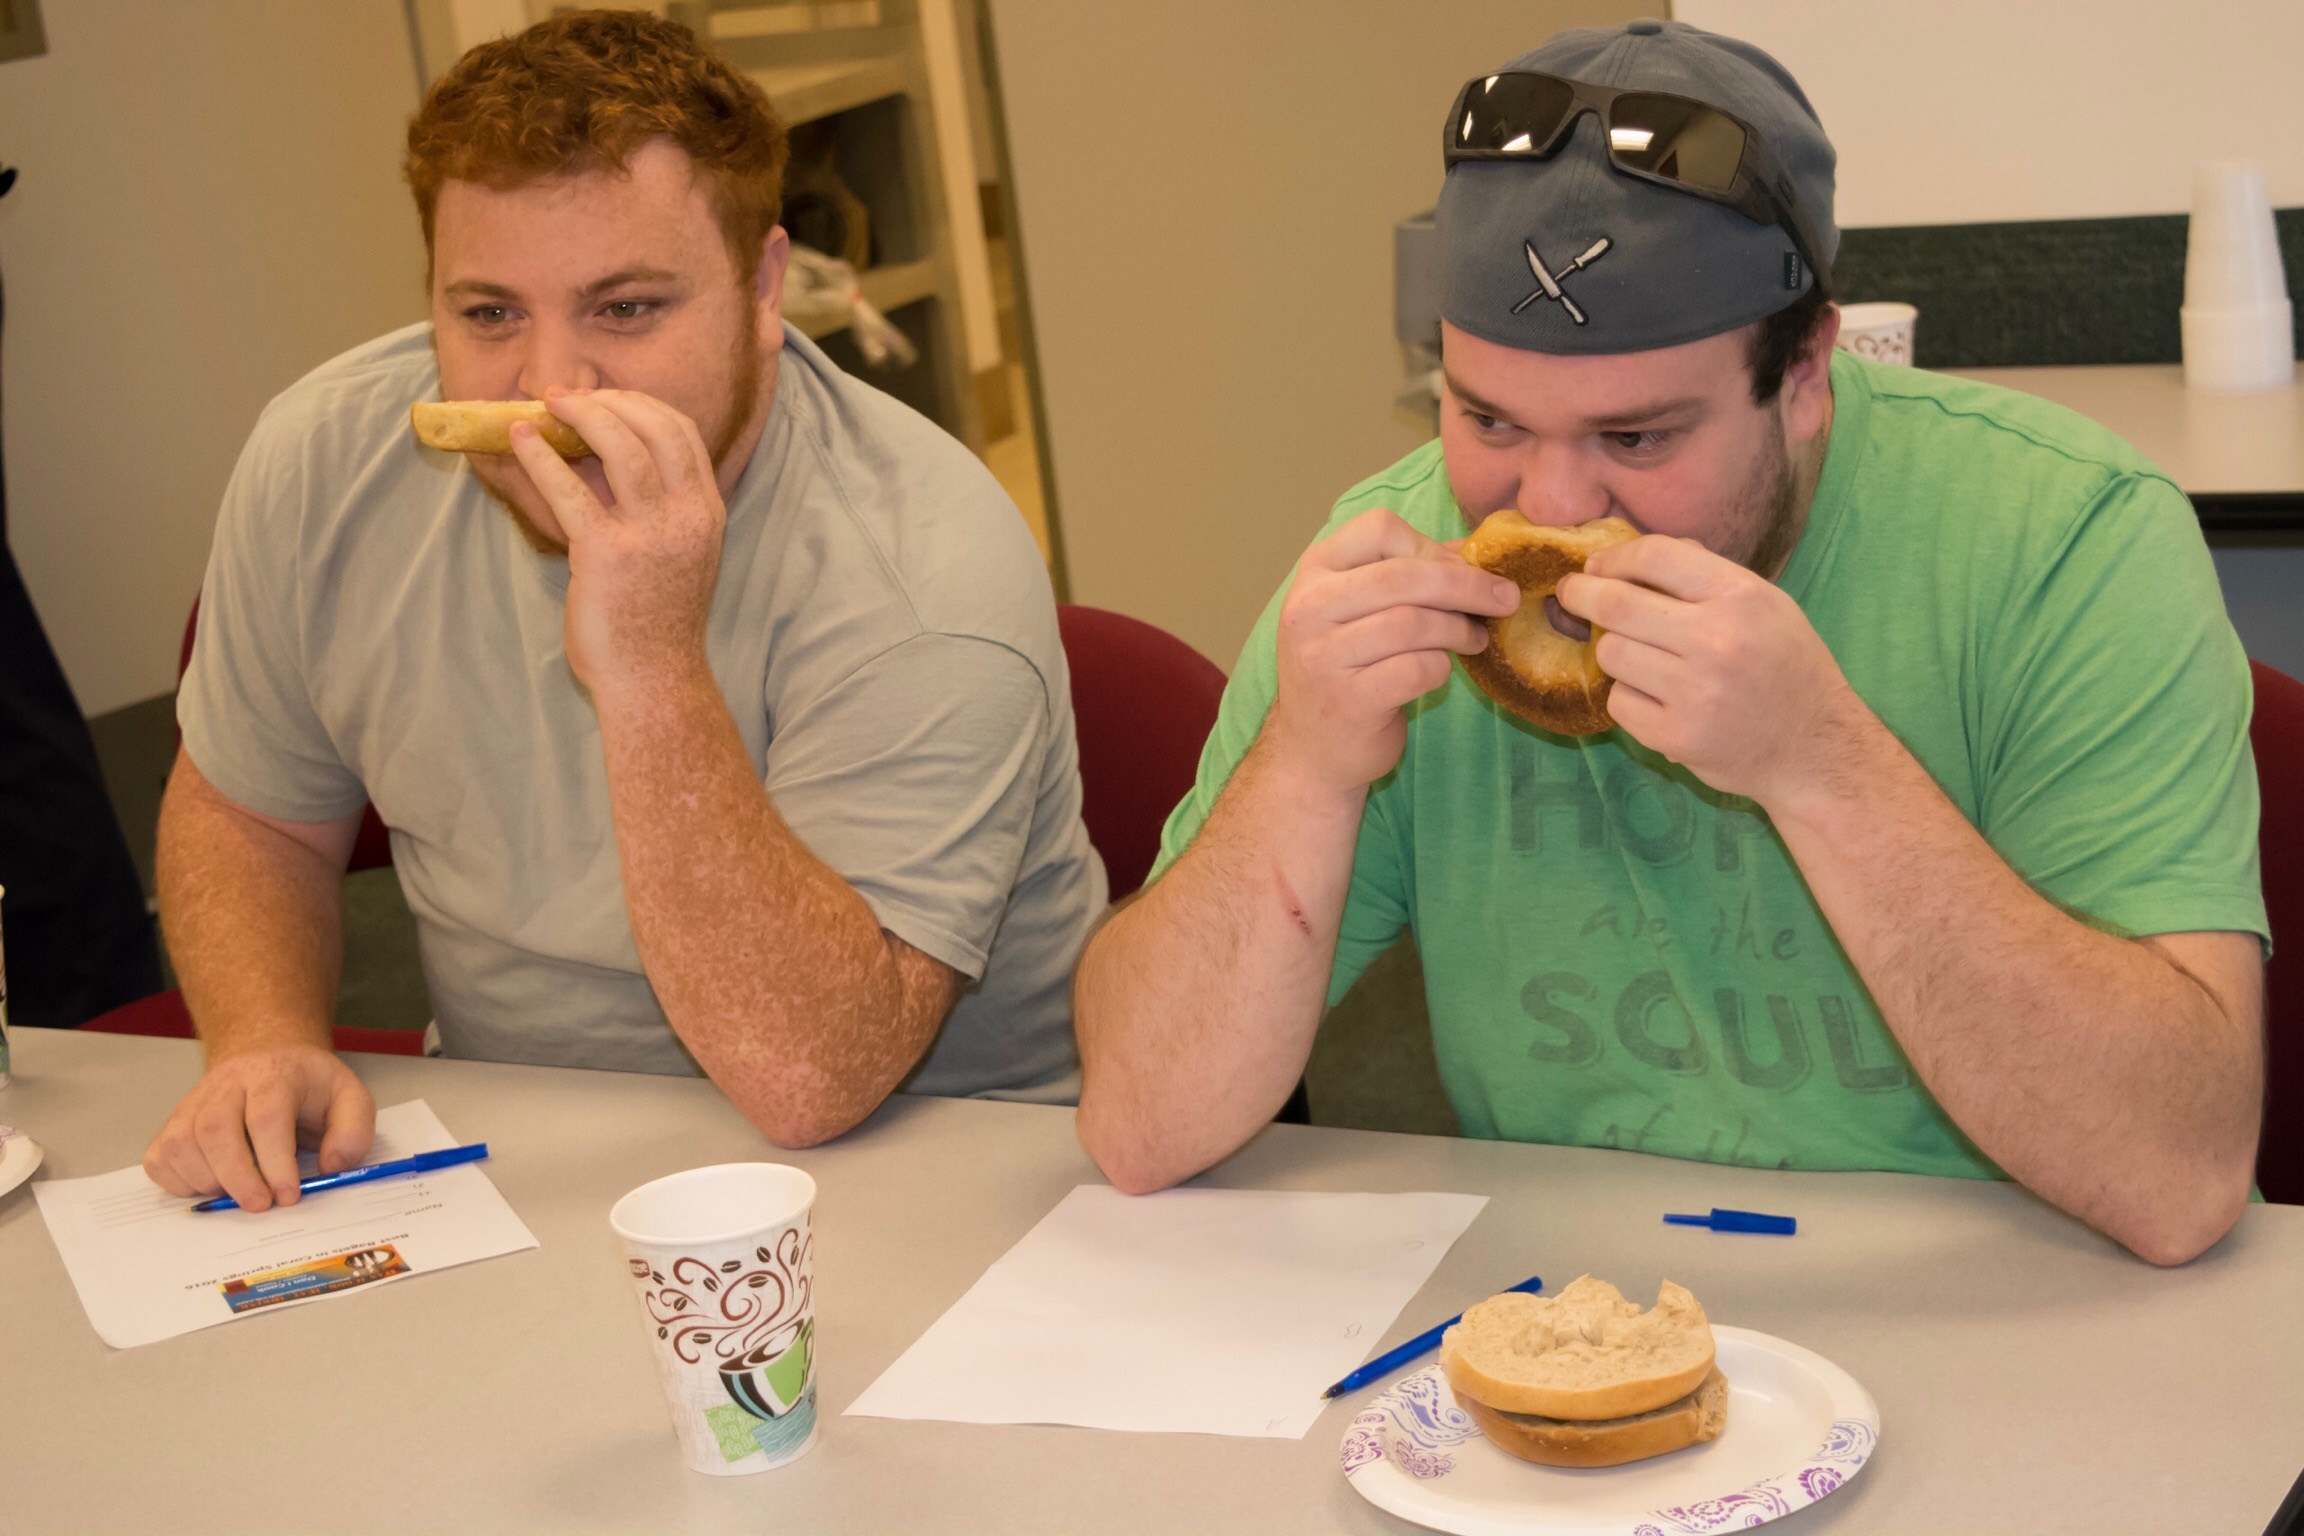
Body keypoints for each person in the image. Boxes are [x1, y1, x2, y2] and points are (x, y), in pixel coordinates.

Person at [1074, 19, 2266, 1266]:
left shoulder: (2066, 537)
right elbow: (1143, 1127)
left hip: (2007, 1303)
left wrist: (1819, 764)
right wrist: (1304, 770)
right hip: (1576, 1316)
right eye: (1487, 417)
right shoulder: (1393, 559)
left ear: (1807, 373)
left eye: (1637, 440)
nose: (1548, 511)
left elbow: (2177, 1180)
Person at [142, 10, 1103, 1213]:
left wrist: (649, 663)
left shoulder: (926, 569)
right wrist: (263, 1035)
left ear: (761, 286)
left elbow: (812, 1075)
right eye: (488, 314)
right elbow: (251, 811)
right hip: (520, 1157)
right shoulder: (319, 459)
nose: (553, 389)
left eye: (628, 308)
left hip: (928, 1171)